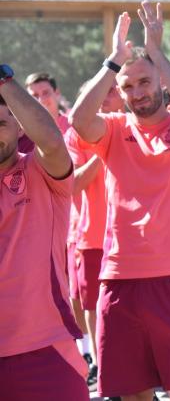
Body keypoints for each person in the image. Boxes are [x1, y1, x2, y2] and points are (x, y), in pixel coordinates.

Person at [70, 3, 170, 400]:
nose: (138, 92)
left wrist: (157, 54)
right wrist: (114, 63)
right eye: (128, 87)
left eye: (145, 82)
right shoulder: (114, 130)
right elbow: (79, 121)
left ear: (161, 82)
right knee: (133, 393)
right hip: (118, 281)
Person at [0, 65, 88, 400]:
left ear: (19, 125)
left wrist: (3, 79)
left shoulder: (39, 171)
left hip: (45, 349)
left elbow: (51, 141)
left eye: (1, 124)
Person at [64, 80, 124, 391]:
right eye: (100, 91)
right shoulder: (74, 135)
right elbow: (73, 184)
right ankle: (103, 372)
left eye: (112, 90)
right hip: (91, 237)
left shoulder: (134, 125)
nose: (106, 96)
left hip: (131, 238)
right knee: (93, 310)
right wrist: (103, 150)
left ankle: (132, 376)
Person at [17, 72, 71, 153]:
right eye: (35, 95)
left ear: (57, 93)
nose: (41, 100)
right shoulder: (22, 134)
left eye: (45, 93)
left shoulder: (73, 126)